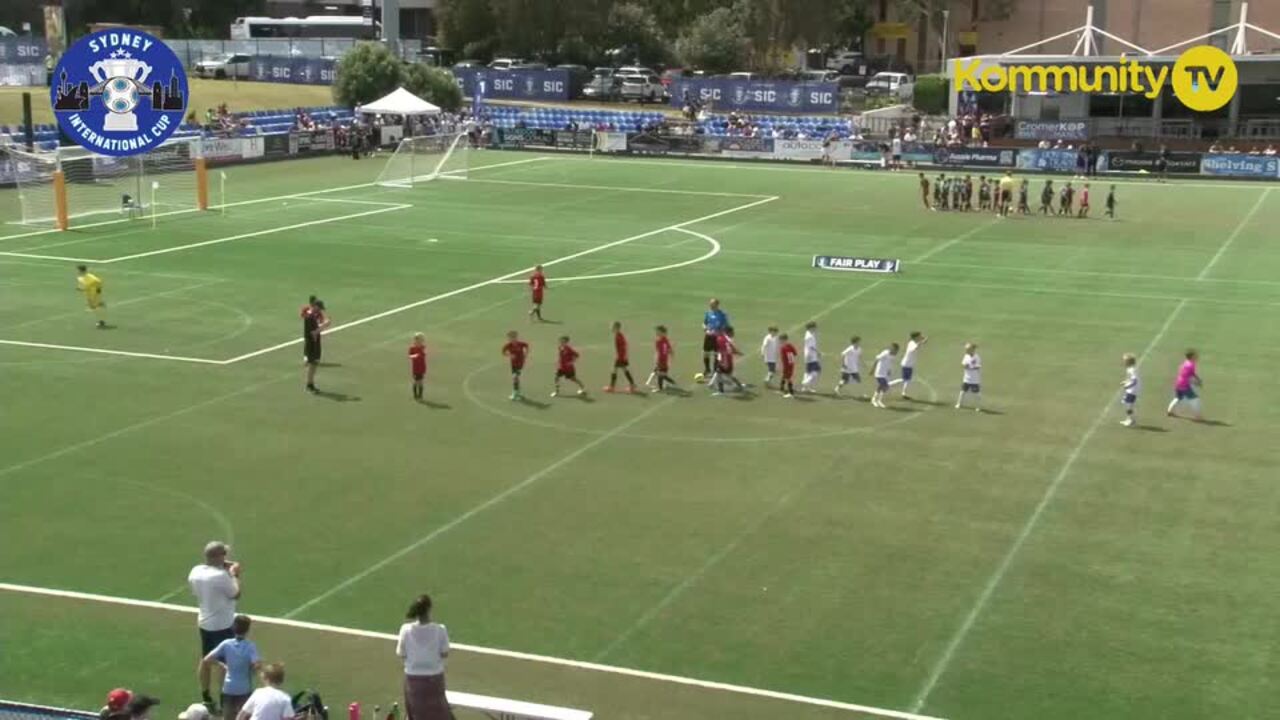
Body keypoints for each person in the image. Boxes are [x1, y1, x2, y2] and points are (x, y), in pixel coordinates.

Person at [396, 595, 454, 720]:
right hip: (435, 679)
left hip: (413, 679)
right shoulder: (440, 630)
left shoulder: (405, 630)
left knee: (416, 713)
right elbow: (445, 653)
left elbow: (401, 653)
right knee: (438, 713)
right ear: (429, 609)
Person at [200, 615, 260, 720]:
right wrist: (251, 670)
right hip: (244, 690)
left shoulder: (226, 644)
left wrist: (222, 665)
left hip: (228, 689)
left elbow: (207, 659)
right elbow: (257, 665)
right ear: (248, 630)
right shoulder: (251, 646)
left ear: (233, 628)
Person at [189, 542, 242, 662]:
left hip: (204, 622)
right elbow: (236, 594)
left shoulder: (195, 571)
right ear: (217, 557)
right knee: (226, 662)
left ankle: (205, 682)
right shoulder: (221, 576)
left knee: (206, 660)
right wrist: (235, 575)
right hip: (222, 625)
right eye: (224, 554)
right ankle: (223, 681)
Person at [1166, 349, 1203, 420]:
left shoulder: (1185, 363)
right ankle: (1198, 416)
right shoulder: (1191, 365)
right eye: (1195, 356)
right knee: (1195, 399)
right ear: (1192, 357)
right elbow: (1189, 376)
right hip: (1184, 385)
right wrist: (1197, 382)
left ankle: (1169, 410)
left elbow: (1191, 374)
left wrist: (1197, 379)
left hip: (1178, 383)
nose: (1196, 357)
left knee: (1178, 398)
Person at [301, 298, 329, 394]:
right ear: (315, 307)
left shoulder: (312, 315)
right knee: (312, 364)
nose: (320, 310)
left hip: (314, 342)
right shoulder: (310, 317)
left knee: (314, 364)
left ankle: (310, 383)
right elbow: (314, 333)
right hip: (312, 343)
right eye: (319, 308)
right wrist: (325, 325)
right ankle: (309, 384)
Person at [708, 327, 745, 396]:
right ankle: (735, 386)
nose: (733, 334)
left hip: (725, 360)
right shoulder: (726, 339)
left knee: (725, 376)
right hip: (725, 360)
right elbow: (730, 349)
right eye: (732, 332)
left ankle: (731, 386)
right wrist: (738, 353)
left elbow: (726, 350)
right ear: (728, 332)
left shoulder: (722, 339)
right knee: (721, 374)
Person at [604, 321, 637, 393]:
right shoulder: (619, 335)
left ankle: (611, 387)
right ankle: (632, 385)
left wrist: (622, 356)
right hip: (621, 356)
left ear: (616, 328)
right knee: (624, 370)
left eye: (612, 327)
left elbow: (624, 346)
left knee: (614, 370)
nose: (611, 328)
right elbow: (625, 345)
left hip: (620, 357)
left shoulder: (619, 336)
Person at [699, 298, 728, 380]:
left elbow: (725, 325)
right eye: (710, 304)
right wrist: (705, 328)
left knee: (716, 354)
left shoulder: (722, 314)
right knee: (705, 353)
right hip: (708, 336)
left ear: (717, 305)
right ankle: (707, 369)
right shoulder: (708, 313)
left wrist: (718, 332)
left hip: (717, 337)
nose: (710, 305)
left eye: (712, 304)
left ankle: (715, 370)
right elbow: (704, 323)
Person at [646, 325, 677, 392]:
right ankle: (672, 383)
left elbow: (667, 351)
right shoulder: (659, 340)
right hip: (660, 360)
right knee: (661, 374)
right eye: (656, 331)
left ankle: (660, 388)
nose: (656, 332)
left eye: (658, 331)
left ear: (662, 333)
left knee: (660, 374)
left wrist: (670, 357)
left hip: (662, 361)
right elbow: (658, 351)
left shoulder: (663, 341)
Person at [501, 331, 529, 401]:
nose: (512, 339)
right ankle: (518, 393)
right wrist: (509, 355)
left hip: (520, 363)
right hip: (513, 364)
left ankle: (515, 393)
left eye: (513, 337)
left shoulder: (521, 344)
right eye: (510, 338)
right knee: (516, 379)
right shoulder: (508, 345)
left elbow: (526, 346)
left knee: (515, 377)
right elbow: (503, 352)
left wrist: (526, 352)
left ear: (516, 337)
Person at [870, 343, 899, 409]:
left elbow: (890, 363)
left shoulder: (893, 356)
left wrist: (889, 370)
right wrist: (872, 369)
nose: (895, 351)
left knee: (882, 387)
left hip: (885, 374)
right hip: (879, 373)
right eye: (894, 349)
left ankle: (877, 400)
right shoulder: (885, 353)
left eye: (896, 350)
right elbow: (877, 359)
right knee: (883, 385)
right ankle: (875, 400)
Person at [900, 331, 927, 399]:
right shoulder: (911, 343)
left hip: (909, 364)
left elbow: (918, 344)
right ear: (916, 337)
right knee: (906, 379)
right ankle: (887, 384)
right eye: (919, 336)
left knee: (907, 379)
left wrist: (922, 341)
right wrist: (922, 342)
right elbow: (914, 349)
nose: (921, 337)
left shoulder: (914, 343)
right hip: (907, 364)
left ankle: (904, 393)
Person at [956, 342, 983, 412]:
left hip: (974, 379)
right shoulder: (966, 356)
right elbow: (962, 364)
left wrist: (970, 367)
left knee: (977, 394)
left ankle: (978, 407)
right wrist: (965, 366)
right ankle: (959, 404)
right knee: (962, 392)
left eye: (967, 349)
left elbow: (978, 366)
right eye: (966, 349)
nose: (966, 351)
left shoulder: (977, 357)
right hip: (966, 379)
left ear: (972, 350)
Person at [1120, 353, 1140, 428]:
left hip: (1132, 391)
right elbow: (1130, 379)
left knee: (1128, 406)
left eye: (1124, 361)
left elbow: (1135, 381)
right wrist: (1125, 382)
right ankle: (1129, 419)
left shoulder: (1131, 370)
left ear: (1128, 362)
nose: (1123, 362)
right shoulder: (1130, 369)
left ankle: (1132, 421)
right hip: (1131, 390)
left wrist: (1127, 386)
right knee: (1126, 404)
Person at [800, 321, 821, 393]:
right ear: (811, 327)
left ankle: (805, 388)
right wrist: (818, 352)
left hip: (809, 355)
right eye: (815, 327)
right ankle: (806, 382)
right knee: (817, 370)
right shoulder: (809, 336)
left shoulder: (809, 333)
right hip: (810, 355)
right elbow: (811, 347)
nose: (816, 328)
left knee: (808, 371)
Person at [408, 333, 427, 401]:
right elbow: (410, 356)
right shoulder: (412, 348)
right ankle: (415, 395)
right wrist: (415, 356)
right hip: (415, 368)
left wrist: (420, 353)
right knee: (416, 381)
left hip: (421, 367)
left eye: (421, 340)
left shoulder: (423, 347)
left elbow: (424, 354)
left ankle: (420, 395)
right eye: (418, 340)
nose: (419, 341)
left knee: (421, 381)